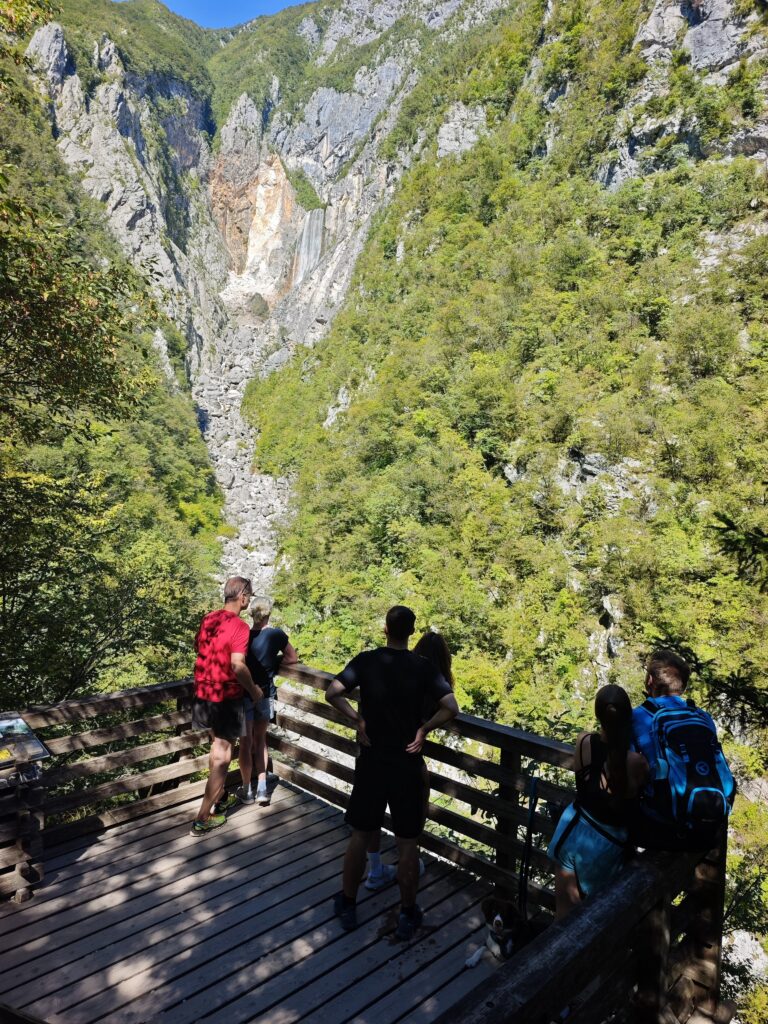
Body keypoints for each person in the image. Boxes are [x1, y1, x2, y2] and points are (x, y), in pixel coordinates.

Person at [326, 606, 459, 940]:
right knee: (407, 843)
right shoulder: (424, 667)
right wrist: (424, 729)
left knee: (360, 833)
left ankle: (348, 902)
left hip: (372, 760)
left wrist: (357, 719)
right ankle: (408, 912)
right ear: (411, 632)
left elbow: (332, 692)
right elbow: (451, 708)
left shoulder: (367, 660)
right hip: (407, 764)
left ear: (385, 629)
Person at [548, 685, 649, 919]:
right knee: (595, 920)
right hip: (605, 846)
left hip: (572, 830)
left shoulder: (583, 741)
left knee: (563, 917)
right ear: (628, 717)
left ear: (597, 715)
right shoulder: (635, 762)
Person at [364, 629, 454, 892]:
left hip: (377, 752)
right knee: (412, 817)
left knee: (374, 813)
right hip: (408, 758)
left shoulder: (402, 671)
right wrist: (425, 728)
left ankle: (375, 869)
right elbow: (451, 708)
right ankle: (410, 868)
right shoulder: (434, 680)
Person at [630, 650, 734, 851]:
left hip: (661, 822)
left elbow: (628, 768)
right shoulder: (702, 717)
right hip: (706, 818)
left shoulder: (637, 717)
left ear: (650, 680)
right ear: (683, 685)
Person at [189, 576, 264, 837]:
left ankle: (218, 799)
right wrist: (254, 690)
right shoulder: (240, 627)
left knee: (215, 749)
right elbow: (237, 665)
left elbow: (198, 646)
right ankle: (202, 818)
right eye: (249, 596)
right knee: (222, 756)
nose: (249, 601)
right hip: (225, 697)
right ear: (242, 597)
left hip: (203, 692)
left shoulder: (209, 618)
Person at [238, 596, 298, 806]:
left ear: (252, 615)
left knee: (245, 743)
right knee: (260, 739)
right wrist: (273, 660)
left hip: (244, 692)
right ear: (268, 614)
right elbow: (292, 658)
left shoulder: (243, 634)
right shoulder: (276, 635)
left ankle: (247, 791)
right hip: (265, 691)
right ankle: (263, 789)